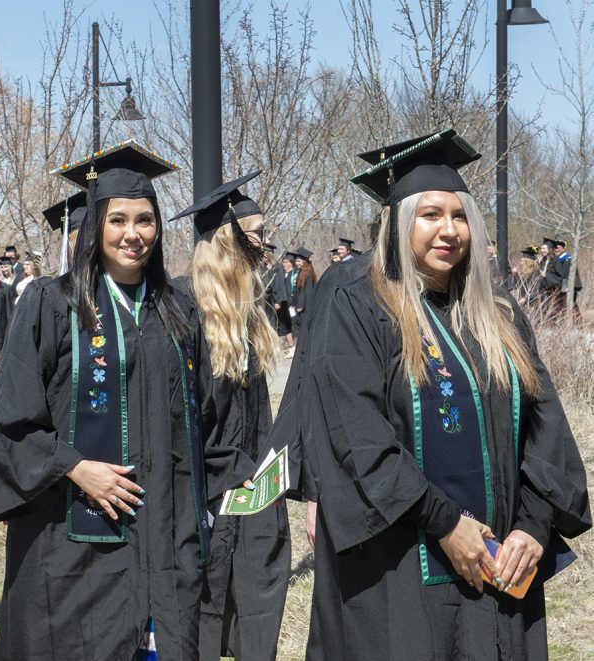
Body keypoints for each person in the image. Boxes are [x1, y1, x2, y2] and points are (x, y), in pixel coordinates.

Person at [303, 129, 590, 659]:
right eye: (431, 214)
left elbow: (544, 431)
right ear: (399, 222)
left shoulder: (498, 315)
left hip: (500, 567)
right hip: (399, 567)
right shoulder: (359, 308)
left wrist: (533, 527)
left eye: (459, 216)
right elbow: (357, 438)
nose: (449, 230)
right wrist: (447, 522)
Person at [0, 142, 256, 660]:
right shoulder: (52, 304)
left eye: (146, 220)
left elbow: (203, 423)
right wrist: (76, 467)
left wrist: (242, 474)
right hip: (77, 541)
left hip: (167, 537)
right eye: (119, 220)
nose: (134, 234)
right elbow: (13, 421)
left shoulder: (178, 312)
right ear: (96, 228)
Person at [170, 171, 290, 661]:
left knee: (260, 589)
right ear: (228, 238)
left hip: (250, 480)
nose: (266, 243)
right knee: (204, 601)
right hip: (205, 486)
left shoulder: (248, 308)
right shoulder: (182, 306)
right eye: (257, 232)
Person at [291, 247, 317, 337]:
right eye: (296, 261)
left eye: (299, 261)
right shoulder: (301, 272)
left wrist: (301, 305)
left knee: (302, 327)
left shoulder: (307, 274)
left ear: (304, 262)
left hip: (304, 307)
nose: (296, 263)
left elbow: (307, 291)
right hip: (300, 304)